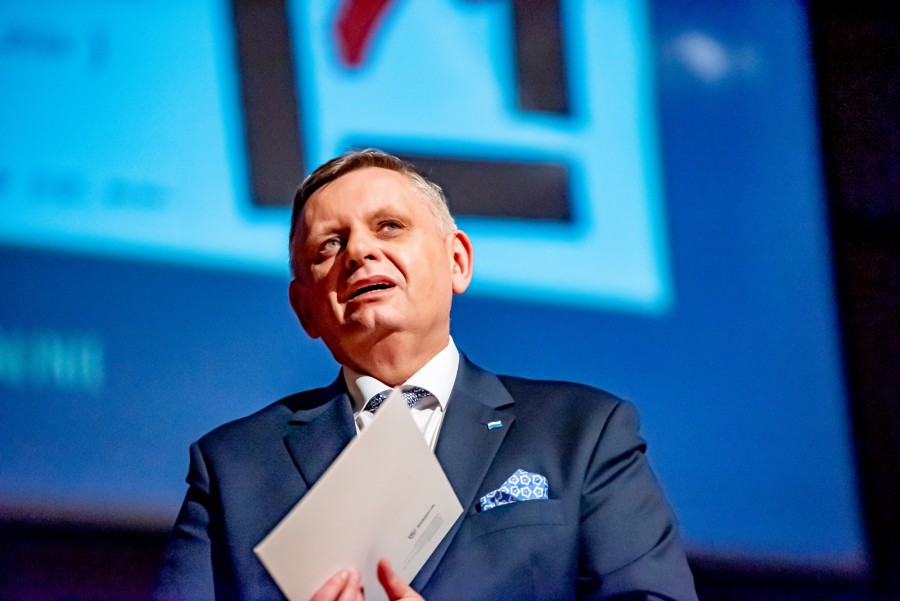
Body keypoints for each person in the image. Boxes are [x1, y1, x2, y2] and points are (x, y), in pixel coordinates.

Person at [153, 149, 697, 600]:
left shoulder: (583, 432)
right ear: (305, 310)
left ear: (457, 260)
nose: (359, 251)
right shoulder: (233, 468)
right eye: (330, 245)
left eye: (389, 227)